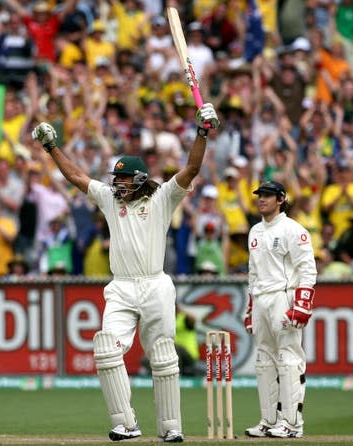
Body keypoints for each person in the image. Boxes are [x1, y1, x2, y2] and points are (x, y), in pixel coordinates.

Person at [31, 102, 220, 442]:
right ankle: (127, 423)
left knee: (163, 356)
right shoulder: (109, 200)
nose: (116, 183)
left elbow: (191, 168)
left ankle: (171, 428)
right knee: (106, 349)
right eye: (115, 178)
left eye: (122, 178)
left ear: (139, 178)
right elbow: (75, 176)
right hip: (120, 287)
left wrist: (202, 132)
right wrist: (51, 147)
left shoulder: (162, 197)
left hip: (155, 285)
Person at [244, 180, 317, 439]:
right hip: (262, 300)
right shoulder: (254, 231)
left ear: (281, 199)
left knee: (288, 359)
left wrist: (302, 304)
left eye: (267, 195)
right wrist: (249, 307)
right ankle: (269, 420)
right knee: (264, 361)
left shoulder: (293, 229)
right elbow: (253, 275)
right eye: (259, 195)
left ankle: (292, 423)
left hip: (283, 298)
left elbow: (308, 269)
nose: (261, 199)